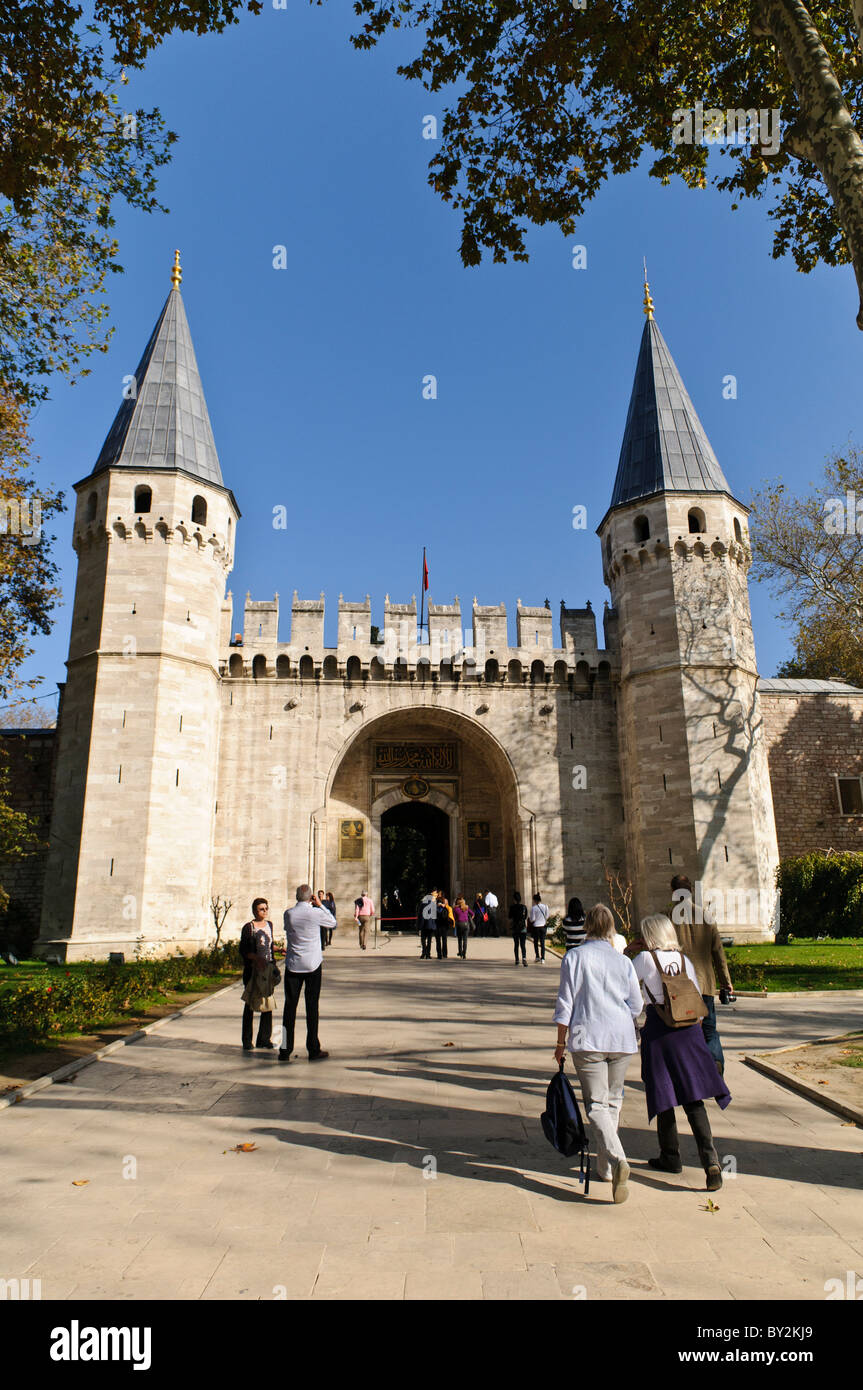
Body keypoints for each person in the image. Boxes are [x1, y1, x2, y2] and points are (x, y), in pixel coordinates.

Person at [632, 913, 732, 1190]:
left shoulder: (644, 960)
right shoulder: (683, 960)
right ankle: (711, 1162)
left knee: (663, 1094)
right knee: (693, 1098)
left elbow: (630, 992)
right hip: (689, 1031)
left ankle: (671, 1155)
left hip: (660, 1032)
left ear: (649, 935)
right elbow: (697, 995)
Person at [553, 903, 643, 1203]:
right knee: (613, 1102)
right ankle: (605, 1169)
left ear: (587, 925)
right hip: (621, 1038)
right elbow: (637, 1004)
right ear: (611, 927)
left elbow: (565, 1003)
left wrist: (560, 1042)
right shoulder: (622, 962)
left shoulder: (574, 957)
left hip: (587, 1036)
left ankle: (617, 1160)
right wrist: (617, 1015)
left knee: (596, 1105)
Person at [669, 874, 735, 1074]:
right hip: (705, 983)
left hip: (681, 984)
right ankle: (715, 1062)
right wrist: (726, 982)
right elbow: (718, 953)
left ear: (673, 892)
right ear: (691, 891)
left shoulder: (669, 918)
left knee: (683, 1031)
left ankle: (690, 1072)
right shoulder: (706, 916)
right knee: (709, 1029)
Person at [279, 885, 336, 1063]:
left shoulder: (289, 914)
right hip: (312, 964)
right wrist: (320, 904)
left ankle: (284, 1050)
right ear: (310, 897)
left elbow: (288, 929)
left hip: (294, 964)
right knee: (312, 1008)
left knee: (289, 1008)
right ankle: (313, 1048)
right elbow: (332, 922)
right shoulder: (315, 913)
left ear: (296, 896)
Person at [239, 897, 278, 1051]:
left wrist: (276, 954)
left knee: (267, 1004)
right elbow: (244, 950)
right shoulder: (249, 927)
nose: (265, 911)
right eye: (262, 909)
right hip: (254, 971)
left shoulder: (270, 925)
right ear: (255, 911)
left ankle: (264, 1038)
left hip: (267, 969)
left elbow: (269, 946)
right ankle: (247, 1040)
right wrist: (256, 959)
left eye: (266, 908)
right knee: (250, 1004)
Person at [528, 892, 550, 963]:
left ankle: (537, 956)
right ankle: (543, 958)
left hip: (536, 927)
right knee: (542, 942)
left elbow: (532, 919)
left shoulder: (533, 908)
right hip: (543, 926)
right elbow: (547, 916)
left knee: (536, 942)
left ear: (534, 900)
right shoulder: (545, 906)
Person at [509, 891, 528, 966]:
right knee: (523, 944)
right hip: (523, 928)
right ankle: (524, 959)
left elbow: (509, 916)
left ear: (514, 899)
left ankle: (517, 959)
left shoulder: (512, 907)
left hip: (515, 927)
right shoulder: (524, 907)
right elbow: (525, 917)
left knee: (516, 944)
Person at [418, 888, 438, 959]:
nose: (437, 894)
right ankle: (428, 954)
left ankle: (424, 953)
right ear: (432, 893)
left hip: (424, 923)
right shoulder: (433, 901)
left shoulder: (423, 901)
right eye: (436, 893)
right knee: (429, 939)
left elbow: (420, 913)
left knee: (423, 939)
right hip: (431, 923)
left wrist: (419, 924)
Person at [435, 893, 452, 959]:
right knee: (444, 940)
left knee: (438, 941)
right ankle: (445, 954)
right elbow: (447, 918)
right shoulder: (446, 909)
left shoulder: (435, 909)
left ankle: (439, 954)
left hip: (437, 926)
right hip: (444, 927)